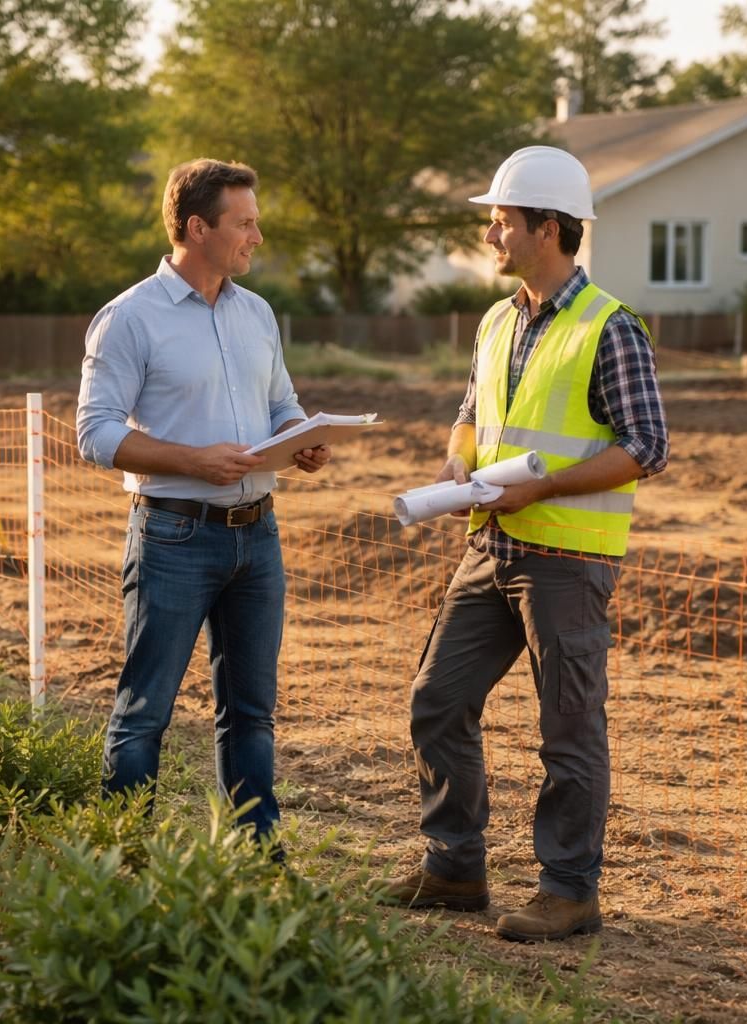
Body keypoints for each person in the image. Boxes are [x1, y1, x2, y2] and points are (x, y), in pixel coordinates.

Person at [381, 147, 669, 941]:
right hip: (491, 546)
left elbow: (646, 445)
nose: (490, 232)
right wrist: (453, 466)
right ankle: (455, 868)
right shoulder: (499, 318)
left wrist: (542, 486)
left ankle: (569, 890)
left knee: (568, 728)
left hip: (568, 559)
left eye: (502, 219)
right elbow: (475, 416)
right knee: (437, 700)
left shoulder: (611, 328)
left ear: (547, 228)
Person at [75, 158, 331, 841]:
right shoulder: (129, 318)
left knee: (251, 713)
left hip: (260, 538)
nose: (257, 236)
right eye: (244, 222)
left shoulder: (258, 314)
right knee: (145, 712)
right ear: (198, 227)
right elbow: (94, 434)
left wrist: (297, 437)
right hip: (173, 539)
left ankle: (256, 863)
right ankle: (122, 863)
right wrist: (193, 461)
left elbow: (281, 402)